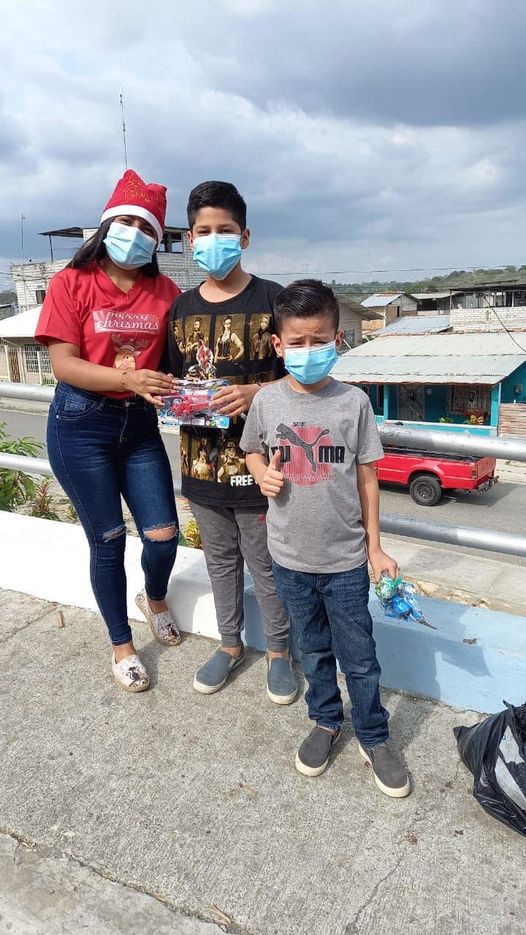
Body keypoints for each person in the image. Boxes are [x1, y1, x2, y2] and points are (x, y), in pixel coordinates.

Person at [240, 279, 410, 797]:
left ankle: (374, 734)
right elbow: (251, 450)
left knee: (359, 656)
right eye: (297, 341)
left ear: (338, 339)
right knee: (311, 650)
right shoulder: (266, 401)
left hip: (345, 562)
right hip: (289, 559)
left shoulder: (353, 403)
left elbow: (368, 479)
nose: (308, 350)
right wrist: (261, 474)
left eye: (320, 340)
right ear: (278, 344)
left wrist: (375, 548)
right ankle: (325, 721)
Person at [36, 169, 182, 693]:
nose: (134, 235)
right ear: (105, 225)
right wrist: (128, 378)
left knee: (164, 535)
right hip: (81, 424)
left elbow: (181, 359)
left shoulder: (166, 291)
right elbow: (64, 365)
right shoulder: (71, 282)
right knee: (108, 539)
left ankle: (154, 598)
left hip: (139, 426)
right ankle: (121, 644)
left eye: (147, 229)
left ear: (157, 240)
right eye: (126, 222)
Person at [166, 181, 297, 703]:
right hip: (200, 465)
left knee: (267, 564)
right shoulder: (179, 309)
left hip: (262, 469)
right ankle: (230, 644)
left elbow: (302, 377)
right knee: (220, 561)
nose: (213, 239)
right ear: (190, 238)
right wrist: (169, 394)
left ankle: (280, 652)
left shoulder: (273, 301)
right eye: (203, 231)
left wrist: (255, 392)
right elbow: (175, 380)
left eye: (225, 230)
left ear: (244, 236)